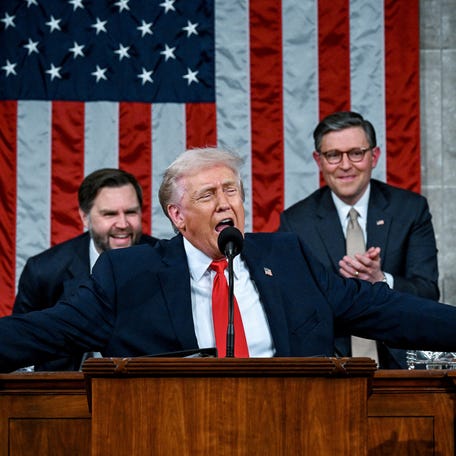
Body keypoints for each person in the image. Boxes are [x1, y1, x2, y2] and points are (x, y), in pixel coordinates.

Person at [0, 147, 455, 374]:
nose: (225, 205)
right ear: (177, 216)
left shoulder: (288, 256)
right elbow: (45, 331)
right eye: (207, 196)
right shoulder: (130, 274)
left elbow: (379, 308)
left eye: (231, 191)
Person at [279, 111, 439, 368]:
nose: (345, 165)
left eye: (356, 153)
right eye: (333, 155)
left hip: (401, 367)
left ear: (374, 156)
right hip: (329, 367)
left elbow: (428, 292)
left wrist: (381, 281)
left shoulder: (410, 210)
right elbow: (291, 307)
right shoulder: (296, 222)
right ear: (318, 160)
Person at [13, 168, 159, 371]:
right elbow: (22, 344)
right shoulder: (44, 271)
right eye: (109, 214)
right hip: (64, 392)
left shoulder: (165, 262)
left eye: (131, 212)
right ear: (85, 217)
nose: (123, 224)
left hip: (144, 389)